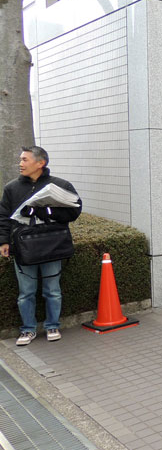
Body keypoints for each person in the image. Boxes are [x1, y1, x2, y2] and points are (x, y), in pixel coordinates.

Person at [0, 146, 82, 345]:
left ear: (40, 163)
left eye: (25, 160)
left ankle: (52, 325)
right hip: (23, 247)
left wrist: (46, 212)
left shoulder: (60, 185)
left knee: (52, 290)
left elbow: (74, 211)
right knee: (26, 292)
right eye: (21, 159)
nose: (20, 164)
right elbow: (3, 216)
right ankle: (28, 330)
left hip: (51, 245)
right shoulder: (11, 188)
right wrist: (3, 241)